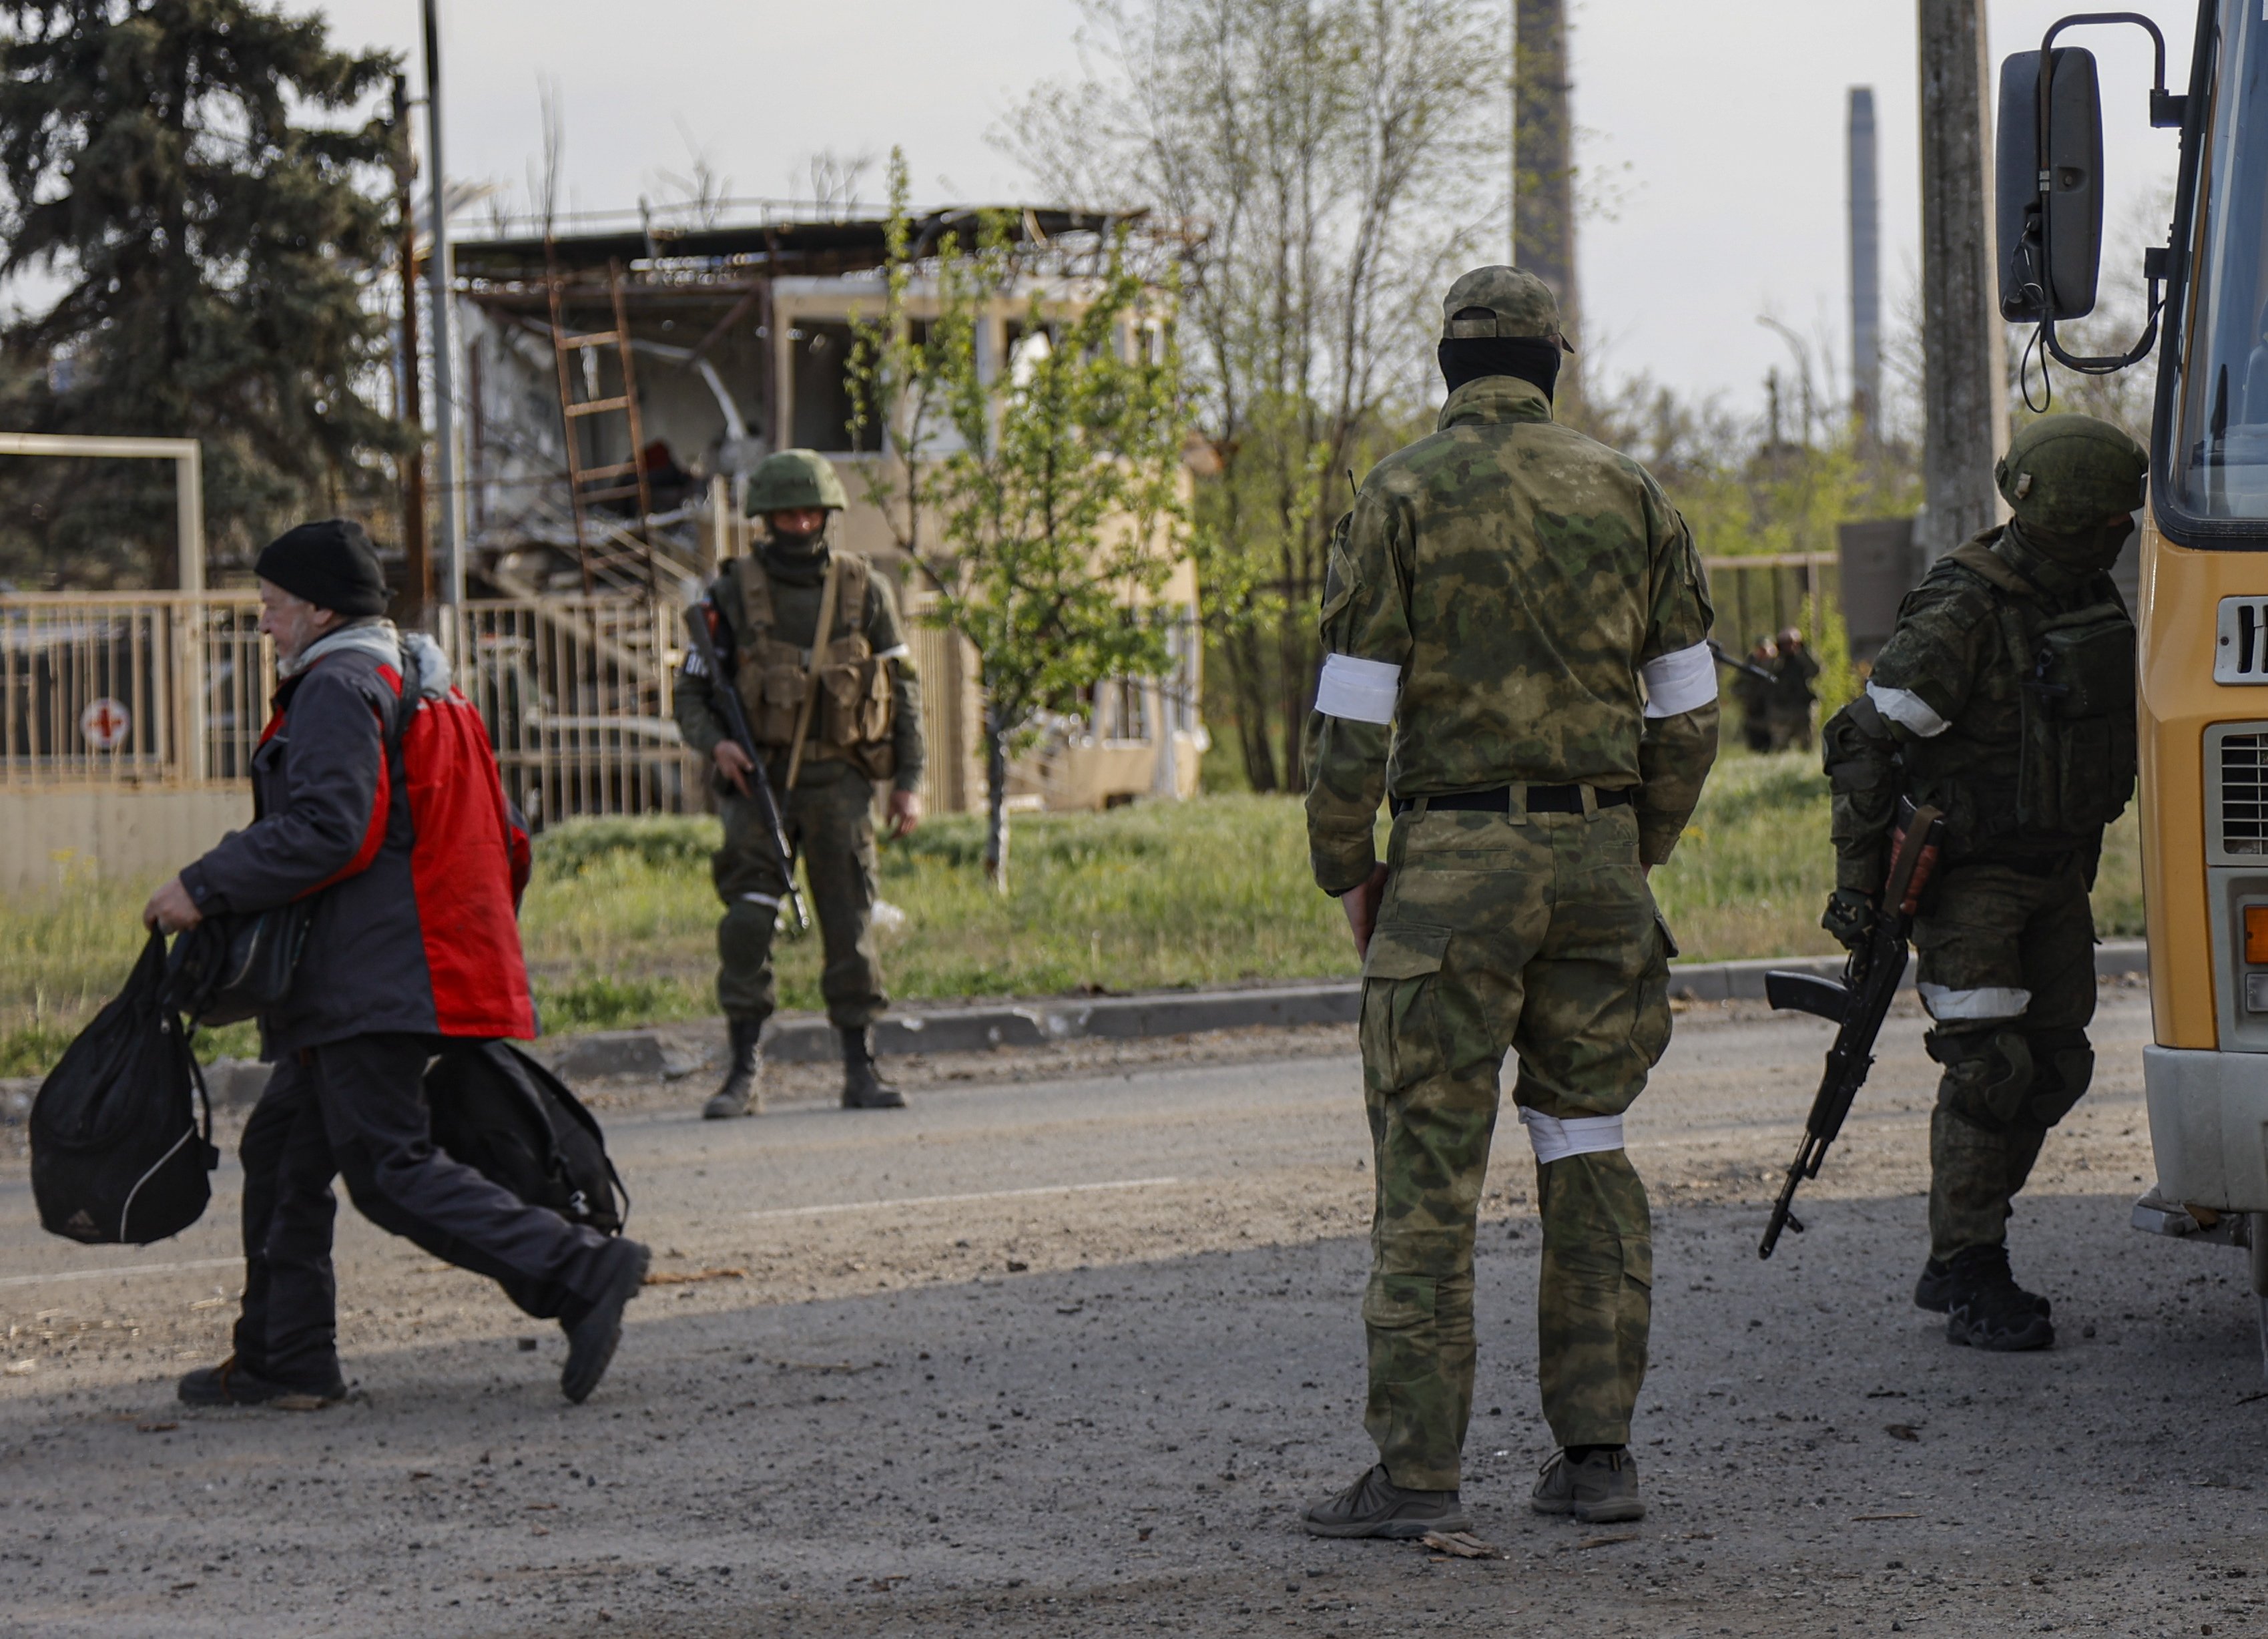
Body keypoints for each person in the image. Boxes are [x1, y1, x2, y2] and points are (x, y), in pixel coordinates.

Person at [1301, 267, 1719, 1538]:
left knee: (1428, 1175)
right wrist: (1623, 845)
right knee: (1584, 1146)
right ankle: (1597, 1462)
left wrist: (1348, 867)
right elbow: (1689, 717)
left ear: (1446, 365)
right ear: (1554, 364)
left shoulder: (1399, 494)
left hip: (1451, 866)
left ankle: (1416, 1479)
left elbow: (1350, 713)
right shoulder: (1628, 492)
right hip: (1596, 861)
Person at [148, 520, 650, 1409]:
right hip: (400, 960)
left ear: (317, 607)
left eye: (270, 606)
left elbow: (330, 829)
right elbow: (505, 838)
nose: (263, 624)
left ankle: (582, 1267)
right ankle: (284, 1355)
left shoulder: (339, 685)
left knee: (389, 1169)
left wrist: (204, 883)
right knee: (281, 1152)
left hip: (369, 973)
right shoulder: (418, 681)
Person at [1820, 413, 2145, 1352]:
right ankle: (1968, 1266)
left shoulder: (2081, 592)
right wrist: (1858, 890)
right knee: (1987, 1071)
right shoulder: (1964, 609)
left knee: (2054, 1066)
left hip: (2053, 873)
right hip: (1970, 883)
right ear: (2081, 521)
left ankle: (1956, 1243)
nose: (2123, 533)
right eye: (2111, 521)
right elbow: (1862, 741)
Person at [674, 449, 926, 1117]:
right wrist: (717, 744)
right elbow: (691, 694)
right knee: (747, 924)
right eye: (786, 512)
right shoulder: (730, 592)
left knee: (849, 929)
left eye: (810, 510)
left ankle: (860, 1066)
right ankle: (743, 1070)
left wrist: (910, 781)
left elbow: (905, 691)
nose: (799, 522)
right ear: (765, 518)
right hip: (758, 783)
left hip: (839, 784)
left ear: (827, 515)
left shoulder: (863, 589)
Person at [1764, 627, 1821, 751]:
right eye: (1785, 644)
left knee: (1806, 743)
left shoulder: (1803, 659)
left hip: (1802, 707)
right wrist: (1776, 655)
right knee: (1780, 744)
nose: (1789, 647)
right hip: (1782, 708)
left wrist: (1802, 652)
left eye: (1792, 643)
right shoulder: (1778, 661)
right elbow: (1767, 674)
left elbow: (1816, 670)